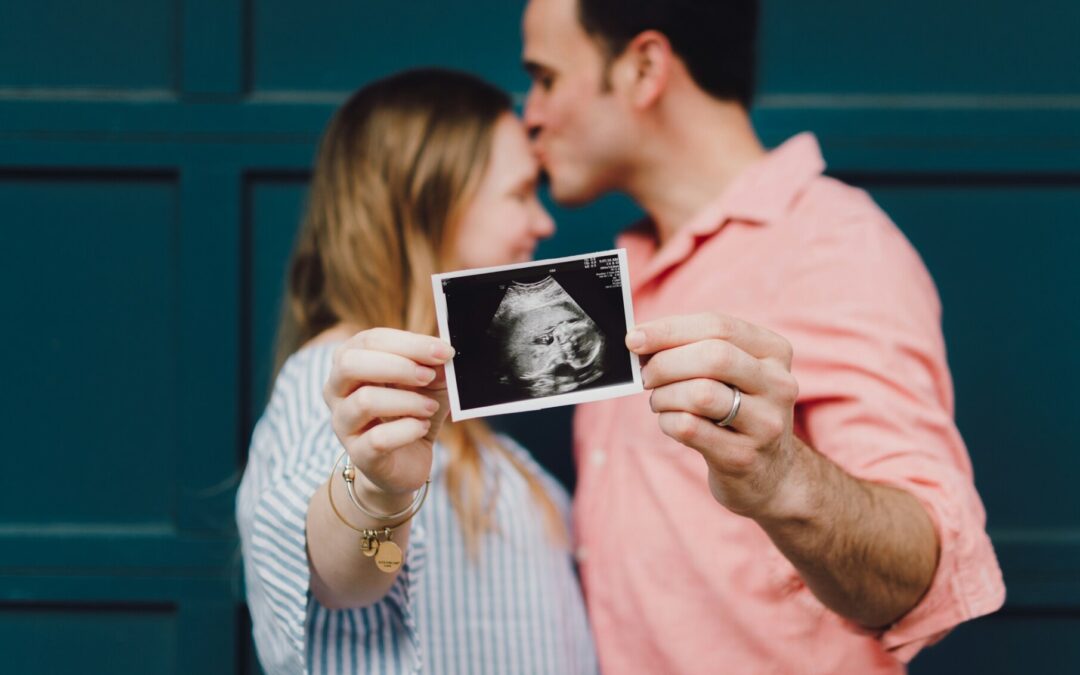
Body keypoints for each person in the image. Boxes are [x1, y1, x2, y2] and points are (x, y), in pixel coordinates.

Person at [520, 0, 1005, 673]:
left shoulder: (833, 246)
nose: (531, 116)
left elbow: (923, 571)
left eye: (545, 78)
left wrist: (781, 478)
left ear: (643, 68)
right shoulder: (616, 279)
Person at [236, 68, 597, 675]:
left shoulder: (460, 411)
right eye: (518, 194)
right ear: (427, 205)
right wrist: (379, 492)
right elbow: (343, 578)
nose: (543, 223)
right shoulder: (340, 382)